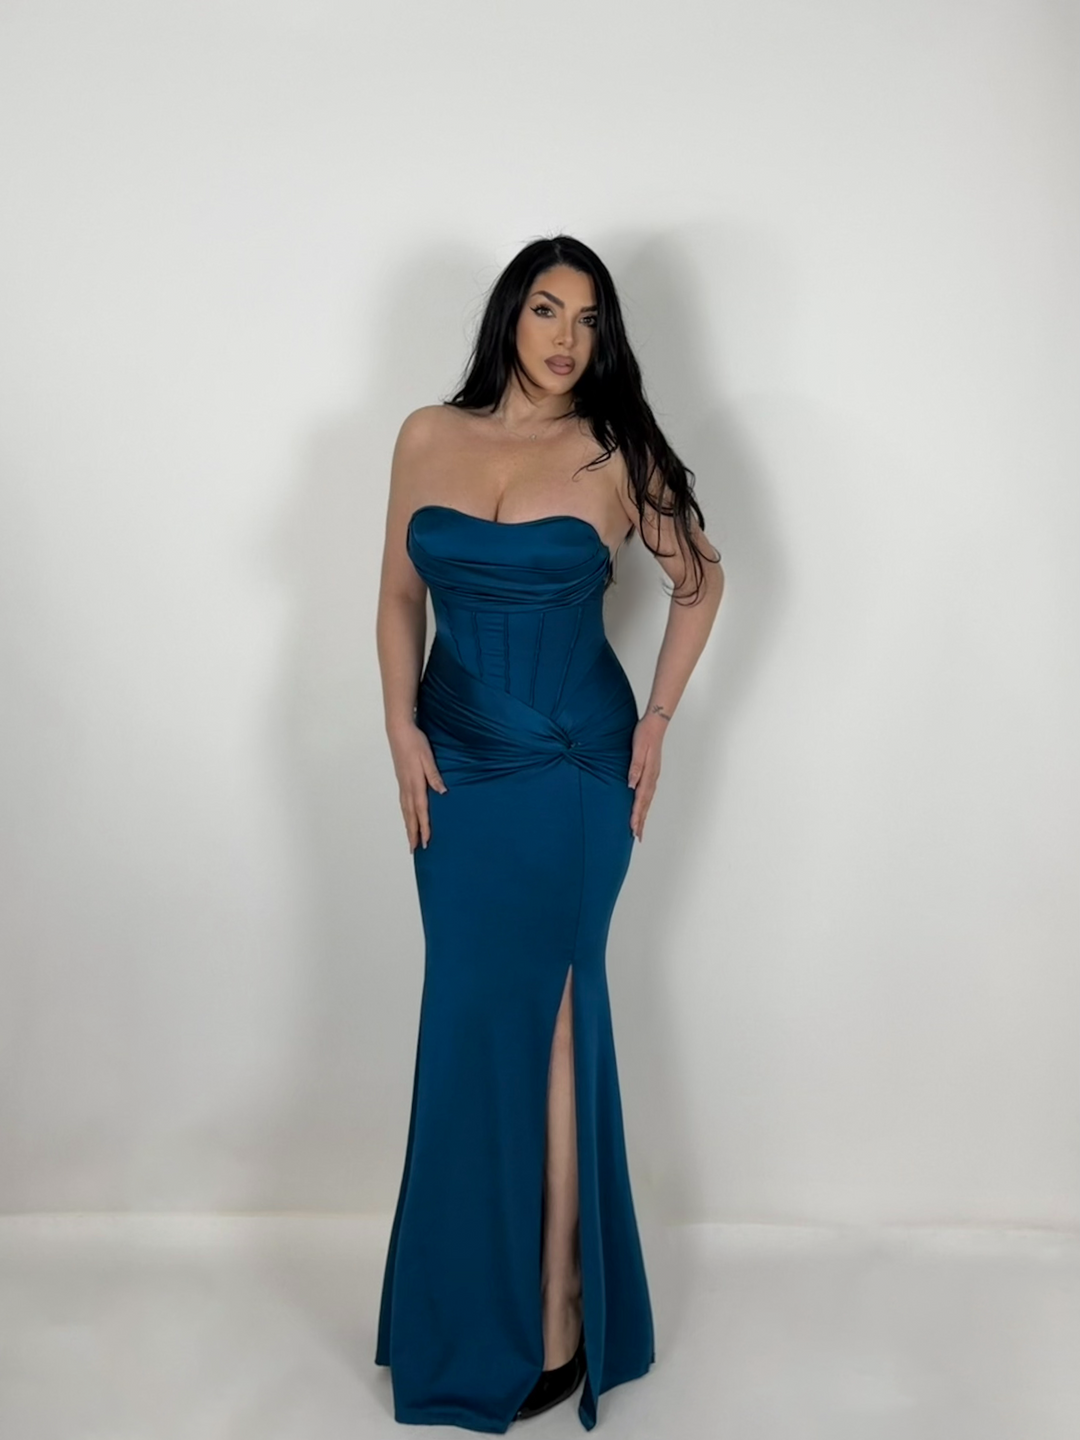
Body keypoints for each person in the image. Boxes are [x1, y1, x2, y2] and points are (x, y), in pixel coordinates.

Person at [374, 234, 724, 1432]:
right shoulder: (427, 434)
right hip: (456, 763)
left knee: (563, 1017)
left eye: (588, 319)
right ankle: (463, 1305)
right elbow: (398, 594)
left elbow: (701, 579)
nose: (567, 337)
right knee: (469, 1019)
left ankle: (562, 1300)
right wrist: (399, 727)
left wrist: (659, 719)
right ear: (509, 318)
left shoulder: (616, 452)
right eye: (545, 309)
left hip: (574, 768)